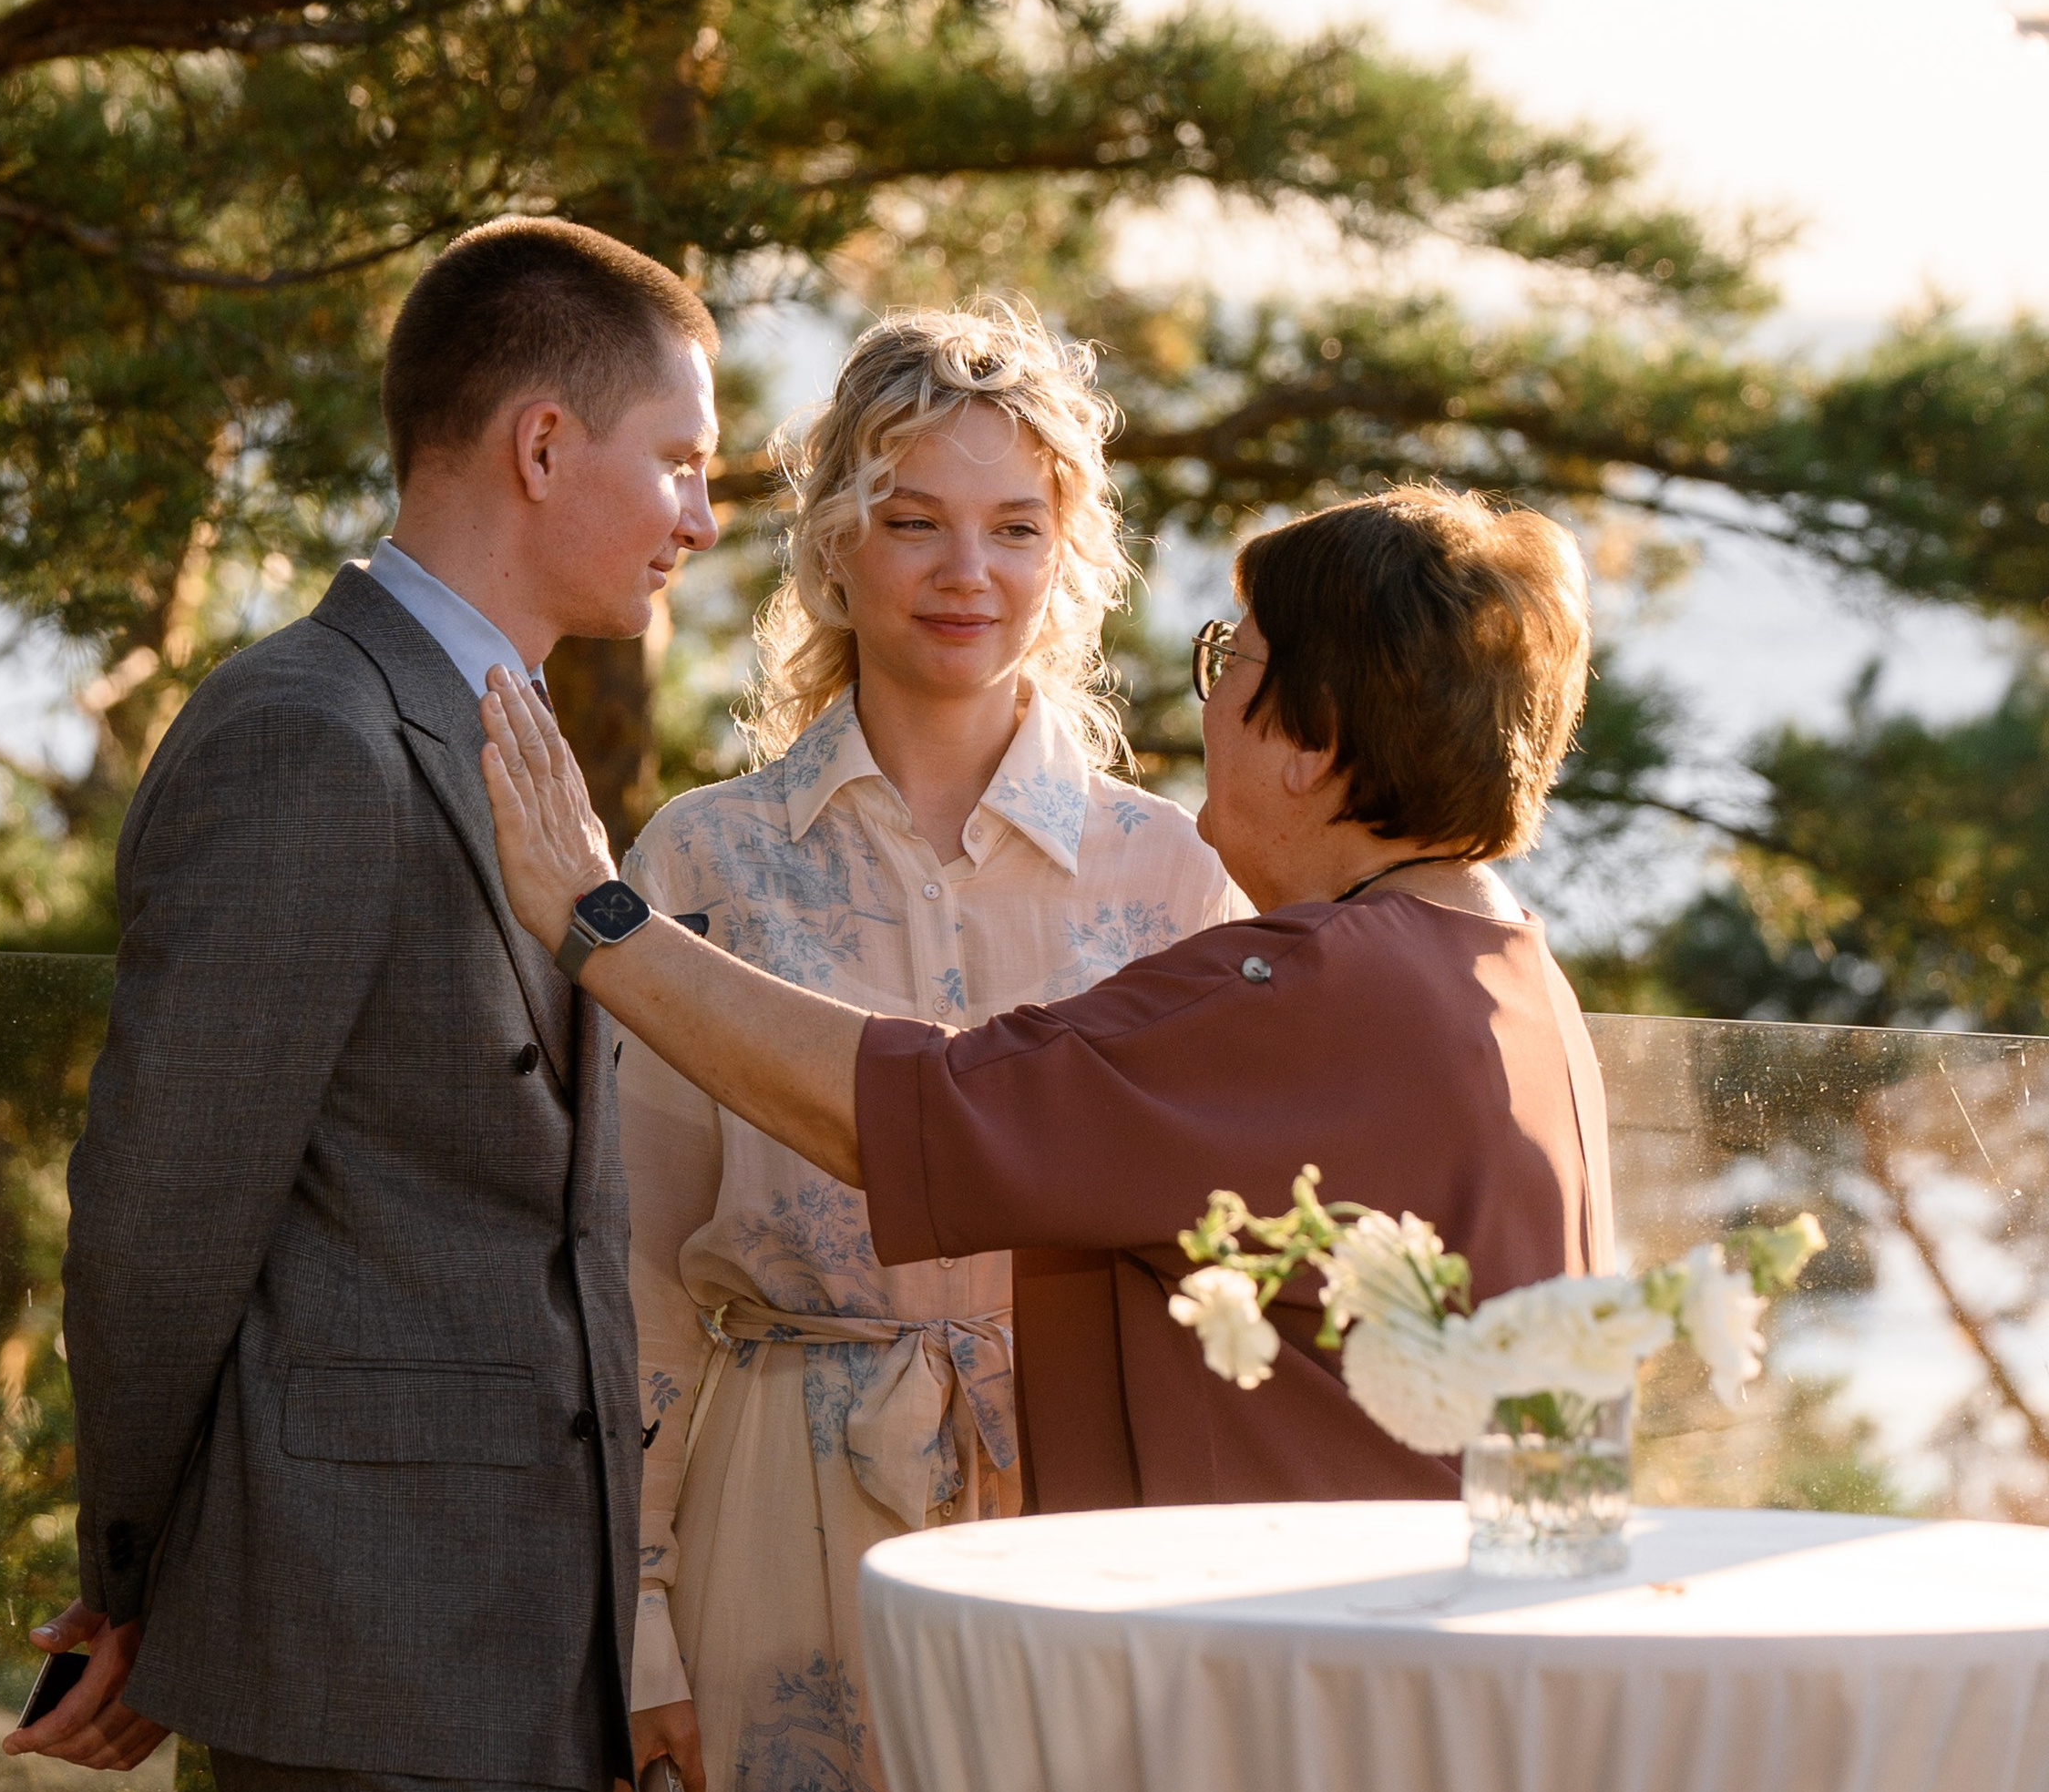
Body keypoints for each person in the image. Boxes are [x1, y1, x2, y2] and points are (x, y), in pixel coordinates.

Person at [9, 216, 721, 1792]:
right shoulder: (308, 733)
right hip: (376, 1634)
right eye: (679, 459)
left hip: (460, 1643)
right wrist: (137, 1567)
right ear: (541, 442)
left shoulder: (497, 736)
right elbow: (158, 1210)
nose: (702, 512)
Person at [580, 302, 1236, 1792]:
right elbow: (624, 1280)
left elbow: (1230, 1277)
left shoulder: (1165, 881)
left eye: (1016, 525)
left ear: (1078, 553)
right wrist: (642, 1634)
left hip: (1070, 1547)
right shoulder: (700, 858)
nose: (967, 570)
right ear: (830, 546)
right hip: (772, 1508)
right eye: (914, 520)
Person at [476, 484, 1614, 1512]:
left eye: (1231, 661)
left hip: (1279, 1664)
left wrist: (599, 917)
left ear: (1310, 740)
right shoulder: (1514, 976)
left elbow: (919, 1114)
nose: (1208, 701)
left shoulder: (1310, 996)